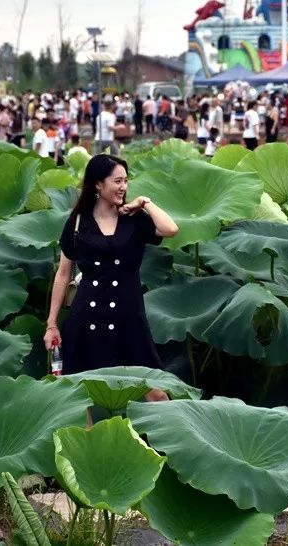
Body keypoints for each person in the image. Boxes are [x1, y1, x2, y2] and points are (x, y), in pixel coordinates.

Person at [43, 155, 179, 399]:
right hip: (87, 317)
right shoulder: (77, 222)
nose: (123, 187)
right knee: (78, 395)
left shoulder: (134, 219)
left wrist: (144, 202)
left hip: (129, 316)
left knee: (156, 394)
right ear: (98, 184)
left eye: (126, 181)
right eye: (117, 181)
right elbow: (63, 274)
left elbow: (170, 229)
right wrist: (52, 324)